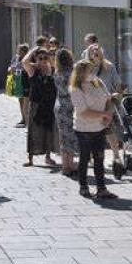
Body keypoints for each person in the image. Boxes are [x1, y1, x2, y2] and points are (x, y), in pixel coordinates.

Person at [69, 60, 117, 199]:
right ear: (81, 72)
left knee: (99, 158)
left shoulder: (96, 81)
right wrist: (104, 115)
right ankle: (83, 187)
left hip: (99, 126)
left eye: (92, 70)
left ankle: (101, 188)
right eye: (89, 71)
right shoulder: (76, 88)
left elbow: (107, 98)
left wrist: (108, 114)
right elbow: (83, 112)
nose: (92, 73)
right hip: (84, 128)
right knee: (85, 157)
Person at [87, 44, 124, 166]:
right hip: (92, 103)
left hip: (107, 103)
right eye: (92, 51)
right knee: (92, 131)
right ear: (89, 54)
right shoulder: (88, 68)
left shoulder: (109, 67)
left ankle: (116, 156)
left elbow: (117, 84)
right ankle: (92, 157)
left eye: (97, 50)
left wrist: (117, 94)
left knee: (109, 130)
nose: (95, 52)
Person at [21, 47, 58, 167]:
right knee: (34, 130)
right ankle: (30, 158)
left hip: (49, 104)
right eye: (40, 58)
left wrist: (50, 58)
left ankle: (48, 156)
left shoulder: (51, 69)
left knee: (48, 130)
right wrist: (35, 49)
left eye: (45, 58)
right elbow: (24, 62)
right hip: (36, 103)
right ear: (36, 58)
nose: (43, 60)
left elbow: (56, 64)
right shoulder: (33, 69)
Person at [54, 48, 78, 176]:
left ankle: (66, 165)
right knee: (71, 135)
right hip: (70, 105)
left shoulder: (57, 72)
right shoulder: (72, 73)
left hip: (59, 105)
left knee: (63, 136)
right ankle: (69, 165)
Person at [8, 44, 30, 128]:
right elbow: (11, 65)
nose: (18, 52)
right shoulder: (16, 58)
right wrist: (10, 68)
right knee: (20, 100)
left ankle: (27, 120)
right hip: (18, 79)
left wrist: (19, 68)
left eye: (19, 50)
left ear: (24, 51)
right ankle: (23, 118)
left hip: (26, 80)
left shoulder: (28, 58)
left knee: (26, 101)